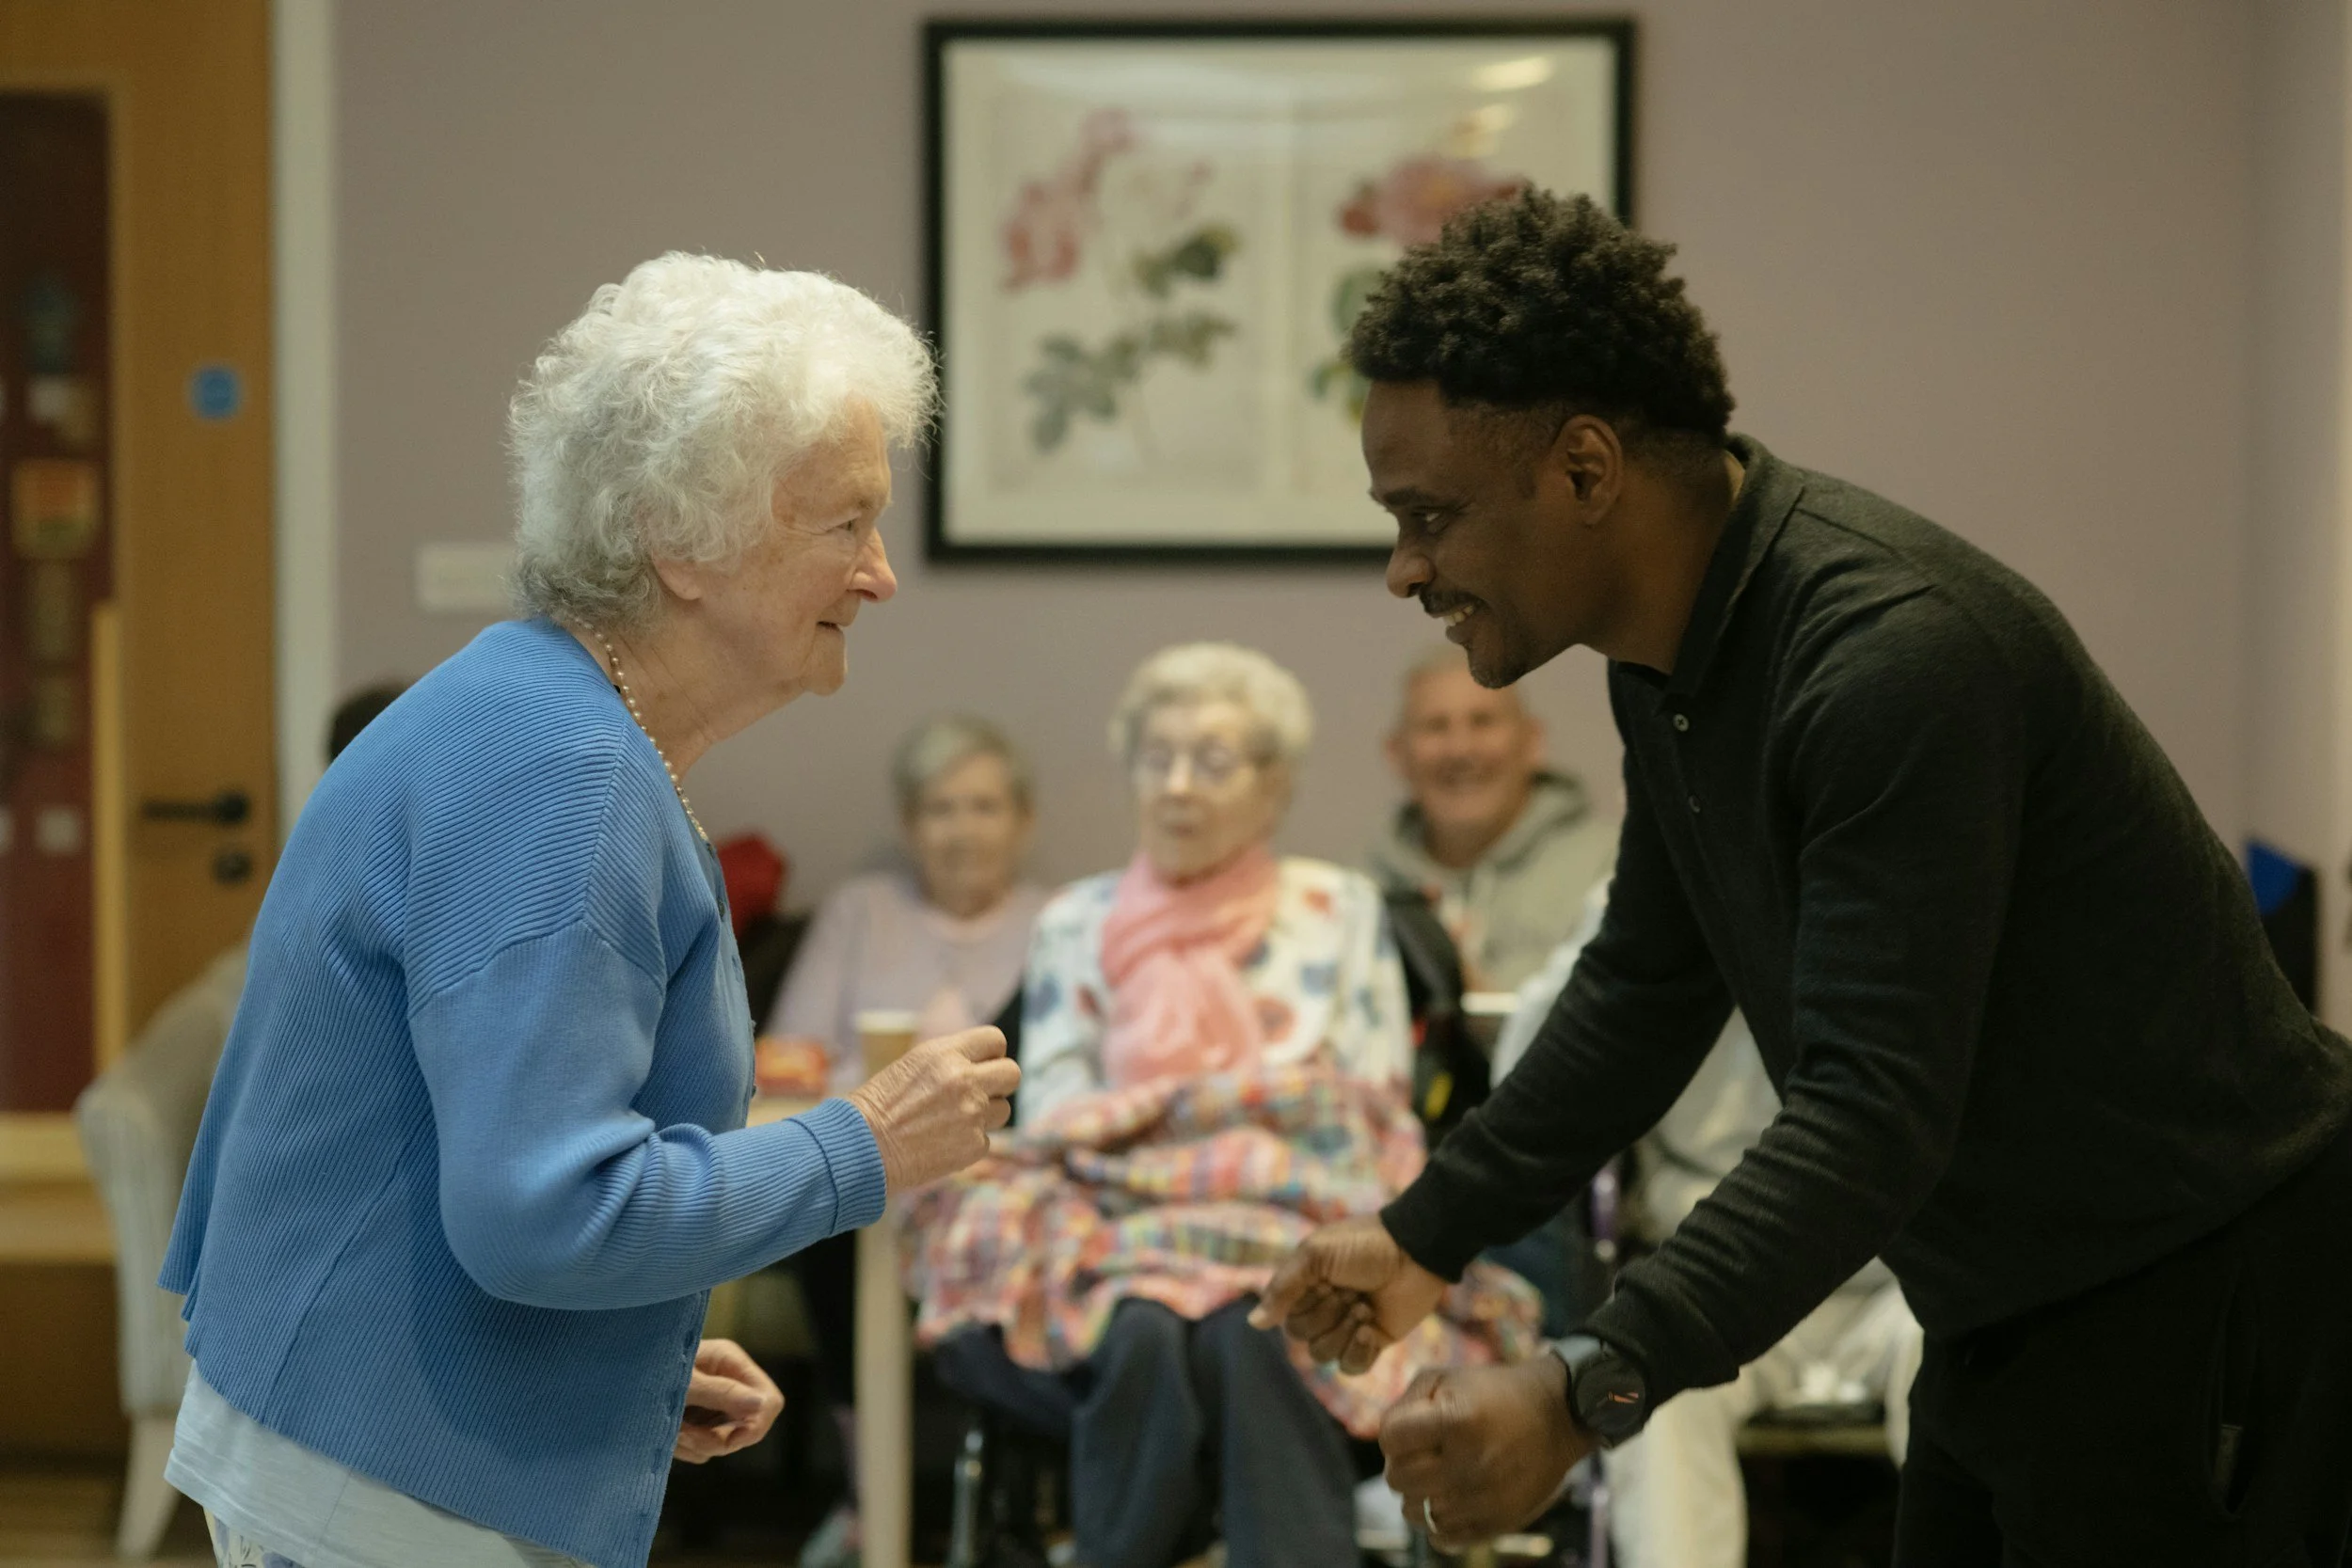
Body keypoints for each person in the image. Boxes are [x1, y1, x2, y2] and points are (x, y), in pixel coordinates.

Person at [1255, 191, 2352, 1566]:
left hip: (2198, 1293)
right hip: (2007, 1301)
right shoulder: (1674, 659)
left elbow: (1867, 1113)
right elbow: (1646, 984)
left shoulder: (1890, 658)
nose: (1405, 567)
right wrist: (1424, 1234)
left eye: (1429, 515)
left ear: (1585, 470)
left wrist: (1586, 1385)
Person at [160, 254, 1021, 1568]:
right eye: (845, 523)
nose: (880, 574)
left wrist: (617, 1356)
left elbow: (468, 1147)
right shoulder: (566, 772)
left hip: (363, 1425)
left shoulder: (531, 708)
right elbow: (545, 1210)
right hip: (382, 1476)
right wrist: (867, 1143)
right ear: (682, 542)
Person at [926, 642, 1423, 1568]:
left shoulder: (1340, 906)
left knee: (1247, 1326)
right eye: (1157, 759)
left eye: (1214, 761)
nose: (1178, 785)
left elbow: (1368, 1102)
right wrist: (1221, 1126)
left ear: (1274, 786)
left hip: (1290, 1213)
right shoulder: (1077, 918)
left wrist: (1191, 1129)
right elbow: (1060, 1114)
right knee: (1149, 1325)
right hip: (1116, 1218)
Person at [1492, 895, 1923, 1568]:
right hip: (1713, 1269)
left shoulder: (1904, 883)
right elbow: (1523, 1079)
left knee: (1969, 1352)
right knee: (1648, 1382)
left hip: (1901, 1274)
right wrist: (1613, 944)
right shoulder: (1668, 887)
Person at [766, 714, 1049, 1568]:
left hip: (998, 1174)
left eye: (984, 807)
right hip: (874, 1166)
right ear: (909, 822)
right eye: (940, 808)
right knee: (836, 1219)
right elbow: (792, 1055)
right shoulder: (862, 909)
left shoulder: (1062, 919)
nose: (963, 829)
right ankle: (868, 1494)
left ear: (1023, 819)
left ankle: (1011, 1509)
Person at [1368, 644, 1616, 993]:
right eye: (1436, 727)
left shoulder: (1613, 868)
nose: (1460, 749)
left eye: (1482, 722)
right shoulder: (1359, 893)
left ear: (1532, 741)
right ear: (1396, 753)